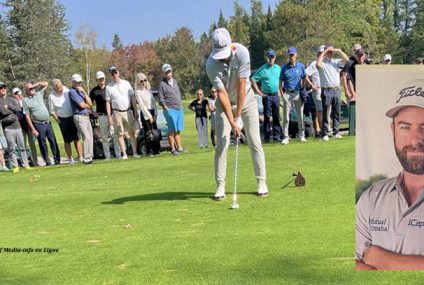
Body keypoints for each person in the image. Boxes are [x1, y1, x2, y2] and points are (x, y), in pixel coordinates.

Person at [356, 79, 424, 270]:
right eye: (404, 127)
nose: (415, 139)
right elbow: (354, 264)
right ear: (393, 130)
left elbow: (366, 261)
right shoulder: (372, 196)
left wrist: (380, 258)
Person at [206, 27, 268, 199]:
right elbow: (222, 94)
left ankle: (261, 181)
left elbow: (242, 86)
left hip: (247, 100)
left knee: (255, 141)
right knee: (222, 144)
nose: (224, 57)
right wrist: (233, 122)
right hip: (223, 105)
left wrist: (238, 116)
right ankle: (220, 186)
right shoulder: (211, 64)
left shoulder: (242, 53)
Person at [316, 45, 349, 141]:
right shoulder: (322, 62)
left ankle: (336, 132)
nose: (330, 54)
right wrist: (324, 51)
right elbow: (318, 65)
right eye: (329, 52)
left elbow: (347, 60)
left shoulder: (336, 62)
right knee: (326, 112)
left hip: (336, 89)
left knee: (336, 112)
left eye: (331, 52)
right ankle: (325, 133)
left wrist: (338, 50)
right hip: (327, 90)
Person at [23, 81, 61, 166]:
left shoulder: (39, 93)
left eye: (32, 88)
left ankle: (57, 159)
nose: (32, 89)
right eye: (29, 89)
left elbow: (46, 84)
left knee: (53, 141)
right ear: (26, 91)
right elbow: (27, 116)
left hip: (48, 123)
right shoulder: (25, 100)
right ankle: (47, 161)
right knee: (42, 144)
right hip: (38, 124)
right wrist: (33, 129)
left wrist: (35, 84)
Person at [105, 66, 140, 159]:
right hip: (116, 112)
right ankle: (124, 154)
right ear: (110, 75)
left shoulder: (126, 83)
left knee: (131, 132)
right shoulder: (109, 87)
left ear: (118, 72)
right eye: (112, 74)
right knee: (120, 134)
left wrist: (135, 111)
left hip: (128, 111)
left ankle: (135, 152)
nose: (114, 75)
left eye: (115, 72)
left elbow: (132, 98)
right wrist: (109, 115)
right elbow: (108, 102)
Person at [251, 49, 282, 143]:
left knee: (277, 116)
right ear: (267, 58)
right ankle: (267, 136)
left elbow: (281, 80)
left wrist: (281, 90)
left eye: (272, 57)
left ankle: (277, 135)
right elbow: (253, 79)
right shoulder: (263, 68)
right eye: (269, 57)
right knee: (267, 116)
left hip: (276, 95)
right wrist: (259, 92)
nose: (271, 59)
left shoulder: (278, 68)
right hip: (266, 96)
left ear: (275, 57)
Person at [48, 79, 82, 164]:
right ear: (54, 88)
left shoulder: (67, 90)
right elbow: (52, 111)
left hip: (72, 117)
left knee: (76, 138)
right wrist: (58, 121)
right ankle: (70, 159)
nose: (60, 90)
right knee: (67, 141)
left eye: (60, 88)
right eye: (58, 88)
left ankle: (80, 157)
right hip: (62, 119)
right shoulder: (51, 96)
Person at [0, 81, 31, 172]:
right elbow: (3, 112)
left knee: (22, 147)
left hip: (17, 126)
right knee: (11, 148)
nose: (3, 89)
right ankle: (16, 166)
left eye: (4, 87)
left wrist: (9, 106)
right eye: (1, 88)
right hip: (8, 128)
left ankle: (26, 165)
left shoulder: (11, 99)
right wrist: (11, 110)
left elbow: (18, 108)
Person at [90, 71, 121, 159]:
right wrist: (93, 112)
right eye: (99, 79)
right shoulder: (94, 91)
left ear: (105, 79)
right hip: (101, 115)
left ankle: (118, 154)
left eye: (102, 78)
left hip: (112, 114)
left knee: (114, 134)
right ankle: (107, 156)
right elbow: (89, 103)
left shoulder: (110, 88)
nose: (101, 80)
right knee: (104, 137)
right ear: (97, 80)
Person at [279, 47, 307, 144]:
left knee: (300, 116)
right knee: (286, 117)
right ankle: (285, 137)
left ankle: (302, 135)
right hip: (287, 93)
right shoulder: (284, 67)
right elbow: (280, 81)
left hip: (298, 93)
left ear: (296, 55)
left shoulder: (301, 66)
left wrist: (303, 88)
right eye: (290, 55)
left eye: (293, 55)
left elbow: (304, 78)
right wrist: (282, 94)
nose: (291, 57)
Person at [158, 64, 185, 155]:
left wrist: (180, 106)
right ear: (164, 74)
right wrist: (166, 109)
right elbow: (161, 99)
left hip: (178, 109)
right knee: (171, 130)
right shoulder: (162, 84)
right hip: (170, 109)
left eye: (169, 71)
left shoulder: (175, 81)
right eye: (166, 72)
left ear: (171, 71)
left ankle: (180, 148)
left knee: (178, 130)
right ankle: (173, 149)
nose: (168, 74)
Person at [68, 74, 94, 164]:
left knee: (90, 136)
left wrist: (85, 93)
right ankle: (86, 157)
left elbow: (90, 103)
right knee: (86, 136)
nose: (78, 84)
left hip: (86, 115)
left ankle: (90, 156)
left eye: (79, 82)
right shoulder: (72, 92)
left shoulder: (81, 91)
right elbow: (82, 105)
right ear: (72, 82)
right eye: (76, 82)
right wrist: (87, 106)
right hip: (79, 116)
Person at [134, 72, 159, 156]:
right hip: (145, 113)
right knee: (148, 133)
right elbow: (142, 106)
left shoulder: (148, 90)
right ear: (138, 81)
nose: (143, 82)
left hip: (152, 111)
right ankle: (148, 151)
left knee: (155, 131)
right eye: (141, 81)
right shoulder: (137, 92)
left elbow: (153, 102)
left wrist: (155, 114)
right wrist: (149, 116)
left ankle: (156, 150)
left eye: (145, 80)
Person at [12, 87, 38, 166]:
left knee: (32, 145)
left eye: (18, 93)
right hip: (20, 127)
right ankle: (25, 163)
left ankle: (35, 162)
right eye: (16, 94)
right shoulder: (13, 103)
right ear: (13, 95)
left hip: (29, 126)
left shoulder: (25, 101)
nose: (18, 95)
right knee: (22, 145)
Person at [305, 45, 325, 136]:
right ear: (318, 53)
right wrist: (311, 84)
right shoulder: (314, 64)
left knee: (323, 111)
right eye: (321, 53)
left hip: (326, 91)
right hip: (317, 91)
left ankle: (323, 130)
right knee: (319, 111)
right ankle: (321, 131)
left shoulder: (326, 63)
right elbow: (305, 74)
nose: (322, 54)